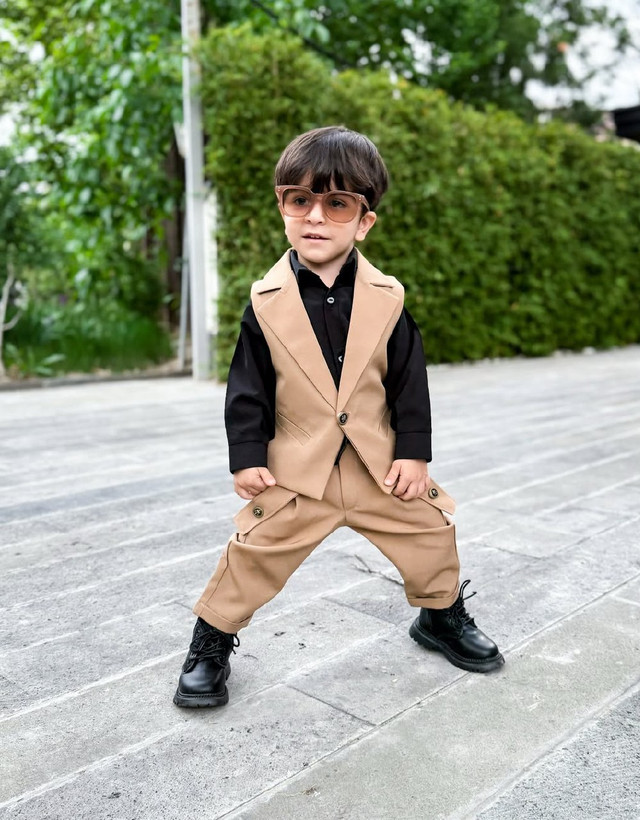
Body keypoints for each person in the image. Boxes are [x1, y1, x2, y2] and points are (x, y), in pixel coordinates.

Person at [173, 125, 504, 708]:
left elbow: (409, 382)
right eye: (300, 199)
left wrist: (413, 453)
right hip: (300, 471)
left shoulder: (388, 299)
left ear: (364, 221)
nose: (315, 217)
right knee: (254, 551)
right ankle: (211, 642)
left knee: (430, 530)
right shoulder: (265, 304)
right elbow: (247, 388)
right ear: (282, 208)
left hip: (378, 465)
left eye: (337, 204)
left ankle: (440, 616)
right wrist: (247, 456)